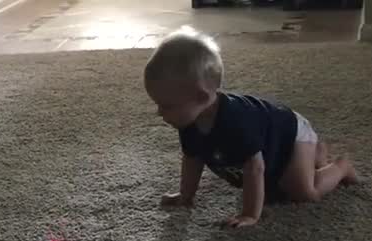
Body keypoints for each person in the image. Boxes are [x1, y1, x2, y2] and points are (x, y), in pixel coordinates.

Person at [145, 27, 359, 229]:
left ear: (201, 97)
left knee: (303, 192)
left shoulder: (236, 122)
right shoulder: (188, 120)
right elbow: (193, 159)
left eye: (166, 106)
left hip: (290, 135)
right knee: (278, 182)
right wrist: (185, 196)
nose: (159, 112)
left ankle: (340, 166)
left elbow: (254, 168)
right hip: (270, 142)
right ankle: (315, 154)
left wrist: (249, 214)